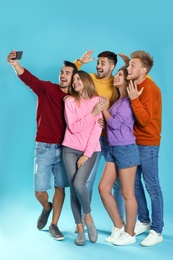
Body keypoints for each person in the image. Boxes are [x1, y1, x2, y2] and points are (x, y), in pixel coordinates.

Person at [7, 50, 78, 241]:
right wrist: (15, 64)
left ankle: (54, 225)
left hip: (65, 149)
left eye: (67, 73)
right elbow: (29, 79)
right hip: (44, 147)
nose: (62, 75)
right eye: (61, 72)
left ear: (73, 78)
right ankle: (47, 207)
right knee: (39, 190)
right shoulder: (47, 88)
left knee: (60, 187)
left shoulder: (75, 98)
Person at [74, 51, 127, 230]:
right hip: (92, 139)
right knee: (86, 179)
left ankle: (118, 222)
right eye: (98, 62)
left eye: (103, 63)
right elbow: (73, 77)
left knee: (118, 182)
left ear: (112, 66)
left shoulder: (118, 81)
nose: (98, 66)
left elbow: (141, 79)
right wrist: (79, 62)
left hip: (113, 139)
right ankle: (82, 220)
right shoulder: (89, 78)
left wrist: (128, 66)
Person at [98, 66, 140, 245]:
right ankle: (118, 226)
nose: (116, 77)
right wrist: (103, 119)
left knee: (127, 193)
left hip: (126, 149)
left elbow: (115, 124)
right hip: (114, 149)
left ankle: (130, 234)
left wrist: (104, 110)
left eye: (120, 75)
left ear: (127, 80)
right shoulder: (118, 100)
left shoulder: (129, 101)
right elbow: (111, 124)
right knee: (103, 188)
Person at [62, 70, 104, 246]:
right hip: (70, 149)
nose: (75, 82)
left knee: (80, 185)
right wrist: (93, 114)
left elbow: (97, 129)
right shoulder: (70, 101)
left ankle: (88, 217)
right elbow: (73, 127)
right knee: (73, 189)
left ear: (86, 81)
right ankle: (80, 229)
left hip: (91, 150)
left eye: (79, 79)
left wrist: (87, 154)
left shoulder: (98, 101)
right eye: (74, 80)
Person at [127, 50, 164, 246]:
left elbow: (144, 121)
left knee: (153, 187)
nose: (128, 68)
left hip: (148, 144)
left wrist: (134, 99)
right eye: (129, 64)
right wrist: (128, 64)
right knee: (134, 184)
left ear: (143, 70)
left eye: (133, 65)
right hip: (134, 143)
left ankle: (157, 231)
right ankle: (144, 220)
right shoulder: (135, 83)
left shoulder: (150, 88)